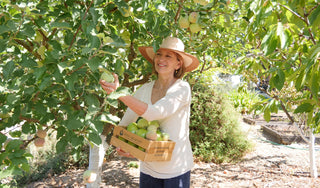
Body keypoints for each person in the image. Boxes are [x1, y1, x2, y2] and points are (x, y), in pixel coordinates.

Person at [100, 36, 199, 188]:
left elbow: (154, 113)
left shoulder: (182, 89)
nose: (161, 59)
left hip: (176, 169)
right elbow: (125, 124)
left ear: (178, 64)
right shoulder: (144, 89)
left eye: (168, 56)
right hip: (148, 168)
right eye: (158, 54)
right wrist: (124, 146)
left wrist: (120, 93)